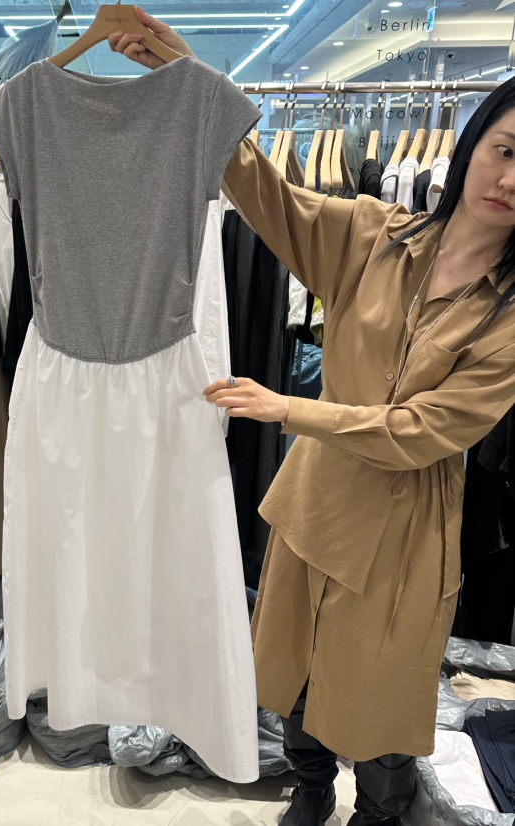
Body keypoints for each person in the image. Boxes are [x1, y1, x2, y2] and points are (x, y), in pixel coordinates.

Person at [110, 10, 515, 826]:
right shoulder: (373, 235)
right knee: (295, 669)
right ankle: (309, 788)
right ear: (475, 142)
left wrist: (288, 407)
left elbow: (423, 432)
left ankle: (381, 810)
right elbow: (265, 191)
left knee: (378, 692)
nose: (511, 178)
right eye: (507, 150)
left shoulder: (508, 317)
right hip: (317, 502)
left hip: (405, 528)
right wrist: (193, 79)